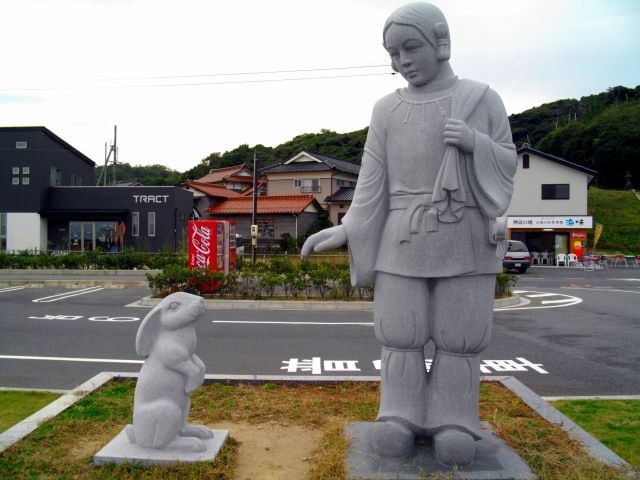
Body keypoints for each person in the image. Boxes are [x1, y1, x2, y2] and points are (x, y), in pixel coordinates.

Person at [301, 2, 516, 466]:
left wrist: (475, 143)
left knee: (458, 336)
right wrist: (345, 230)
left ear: (441, 41)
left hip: (464, 233)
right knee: (400, 331)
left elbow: (507, 164)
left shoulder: (482, 99)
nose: (402, 62)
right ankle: (398, 412)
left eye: (410, 47)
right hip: (402, 237)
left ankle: (455, 418)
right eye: (393, 54)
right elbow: (372, 184)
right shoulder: (386, 110)